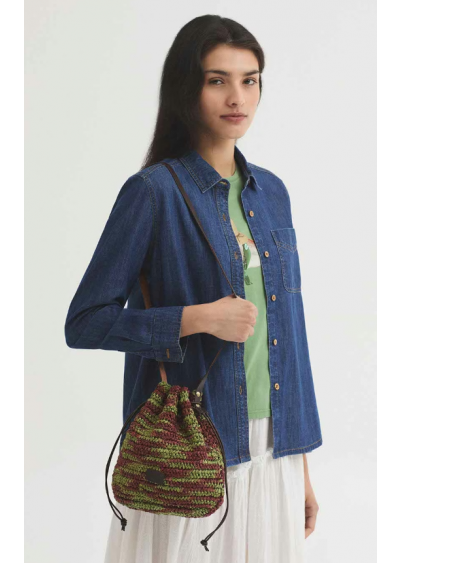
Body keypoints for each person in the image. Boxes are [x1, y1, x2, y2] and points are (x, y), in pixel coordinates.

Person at [65, 14, 323, 563]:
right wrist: (196, 318)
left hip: (275, 445)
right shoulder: (152, 192)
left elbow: (289, 336)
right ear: (187, 88)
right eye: (217, 80)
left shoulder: (272, 193)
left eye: (249, 80)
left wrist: (299, 466)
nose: (237, 97)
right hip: (194, 443)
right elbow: (85, 321)